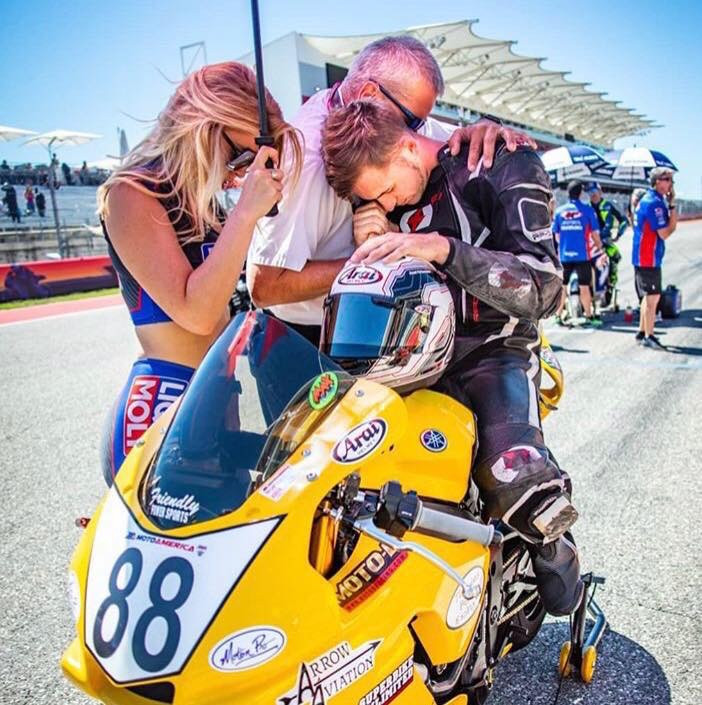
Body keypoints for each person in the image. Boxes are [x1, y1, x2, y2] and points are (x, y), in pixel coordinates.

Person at [320, 100, 583, 617]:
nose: (386, 203)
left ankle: (556, 551)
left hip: (497, 350)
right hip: (405, 356)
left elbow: (548, 289)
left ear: (407, 148)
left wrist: (443, 249)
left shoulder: (502, 160)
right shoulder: (383, 194)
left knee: (515, 475)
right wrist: (369, 223)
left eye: (385, 190)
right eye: (372, 199)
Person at [246, 35, 535, 346]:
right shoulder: (305, 161)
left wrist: (486, 129)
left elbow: (436, 140)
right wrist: (369, 260)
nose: (417, 133)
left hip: (368, 320)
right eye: (412, 121)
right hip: (302, 339)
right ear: (370, 94)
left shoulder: (386, 125)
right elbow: (264, 285)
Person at [96, 61, 301, 485]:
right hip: (164, 404)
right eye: (241, 157)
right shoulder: (130, 194)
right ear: (205, 129)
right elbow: (197, 313)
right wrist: (245, 213)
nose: (240, 174)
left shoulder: (201, 203)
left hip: (214, 399)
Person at [632, 167, 678, 349]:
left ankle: (642, 332)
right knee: (653, 298)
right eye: (668, 179)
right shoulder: (654, 203)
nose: (671, 184)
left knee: (647, 298)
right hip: (647, 257)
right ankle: (649, 336)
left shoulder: (650, 199)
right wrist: (673, 206)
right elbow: (666, 233)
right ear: (657, 181)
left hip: (643, 256)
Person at [552, 181, 602, 325]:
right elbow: (594, 235)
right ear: (581, 193)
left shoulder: (559, 212)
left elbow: (556, 235)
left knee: (562, 287)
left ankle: (558, 315)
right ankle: (588, 316)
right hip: (582, 255)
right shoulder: (587, 211)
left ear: (568, 193)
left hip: (564, 255)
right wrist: (600, 248)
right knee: (584, 286)